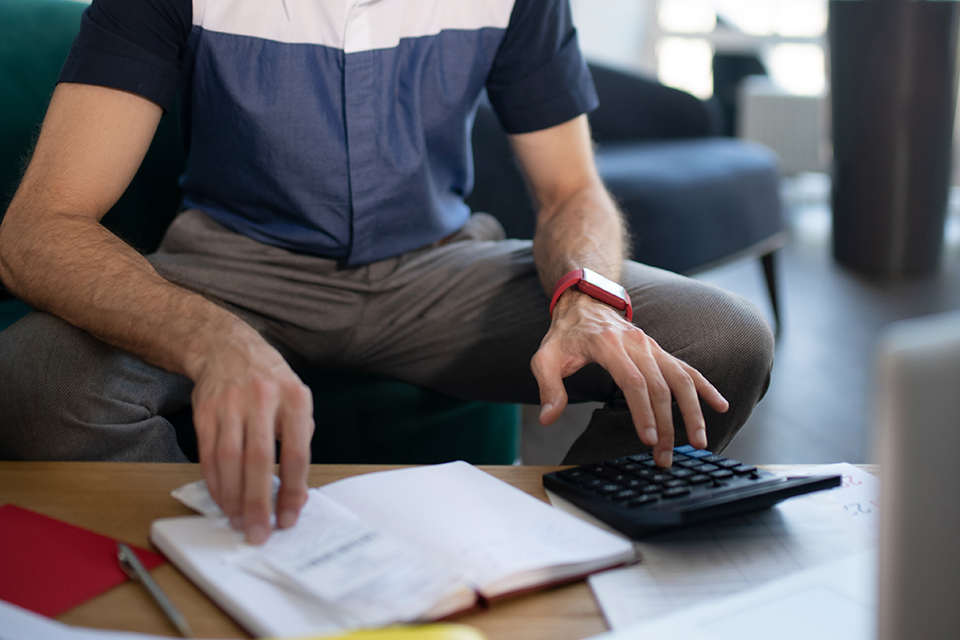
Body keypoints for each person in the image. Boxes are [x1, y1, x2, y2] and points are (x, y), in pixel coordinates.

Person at [0, 0, 774, 544]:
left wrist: (590, 298)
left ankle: (557, 557)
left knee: (721, 336)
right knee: (36, 376)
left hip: (437, 276)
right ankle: (223, 571)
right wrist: (211, 340)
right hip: (231, 274)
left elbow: (572, 189)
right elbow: (37, 230)